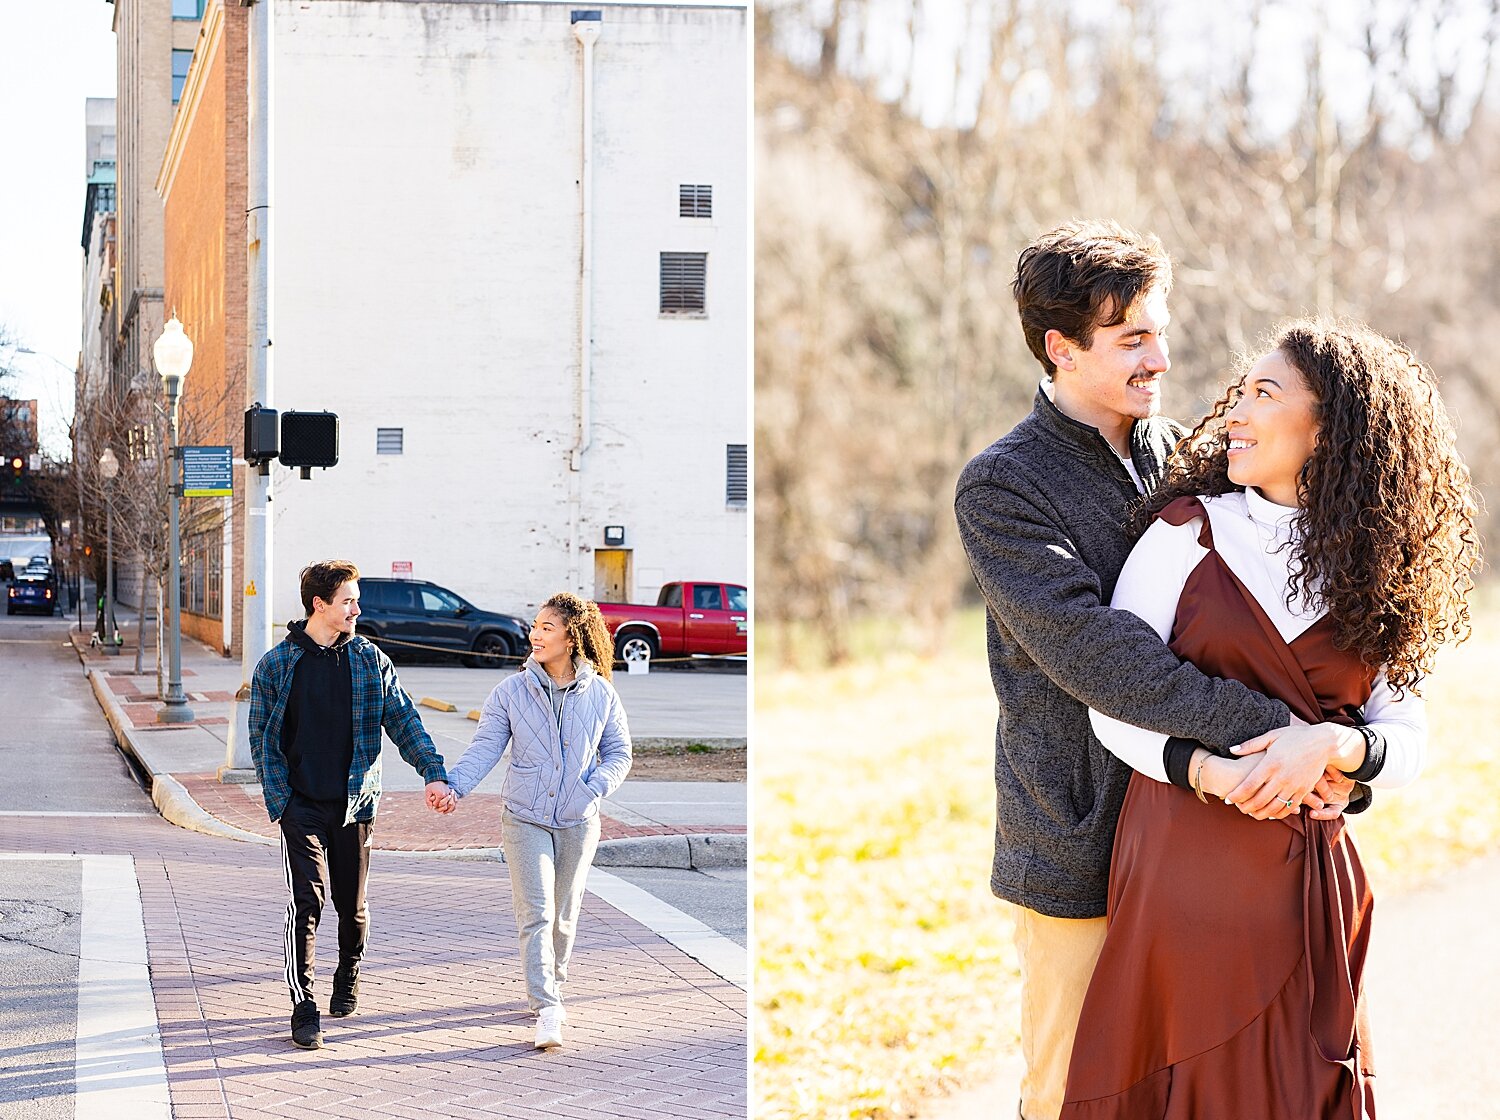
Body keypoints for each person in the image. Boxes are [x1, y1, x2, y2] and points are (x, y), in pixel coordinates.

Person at [954, 221, 1367, 1120]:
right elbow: (1102, 657)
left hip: (1200, 840)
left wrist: (1333, 751)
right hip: (1078, 843)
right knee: (1073, 1088)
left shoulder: (1185, 454)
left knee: (1189, 1084)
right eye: (1132, 337)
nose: (1160, 356)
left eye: (1160, 330)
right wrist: (1276, 737)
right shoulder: (1002, 487)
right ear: (1061, 348)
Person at [1060, 322, 1478, 1118]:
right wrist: (1209, 770)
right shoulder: (1184, 534)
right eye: (1239, 392)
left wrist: (1336, 746)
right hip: (1182, 872)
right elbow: (1110, 706)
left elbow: (1410, 738)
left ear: (1332, 426)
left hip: (1310, 893)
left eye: (1265, 393)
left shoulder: (1374, 564)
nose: (1234, 415)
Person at [249, 559, 452, 1050]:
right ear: (320, 605)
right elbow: (262, 739)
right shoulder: (278, 664)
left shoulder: (369, 660)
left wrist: (433, 772)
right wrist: (281, 801)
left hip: (355, 805)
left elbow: (403, 720)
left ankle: (349, 971)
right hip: (302, 806)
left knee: (352, 907)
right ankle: (304, 1005)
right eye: (348, 601)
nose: (358, 609)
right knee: (306, 903)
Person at [426, 592, 632, 1050]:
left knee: (564, 916)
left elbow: (619, 753)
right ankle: (547, 1006)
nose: (535, 635)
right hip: (525, 818)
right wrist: (453, 786)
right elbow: (485, 747)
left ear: (571, 636)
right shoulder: (510, 691)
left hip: (579, 820)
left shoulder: (600, 693)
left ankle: (553, 983)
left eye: (546, 628)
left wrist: (591, 787)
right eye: (535, 626)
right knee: (535, 914)